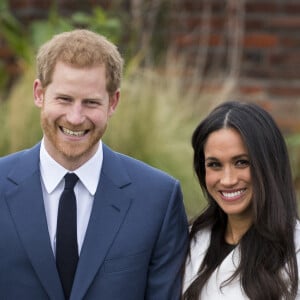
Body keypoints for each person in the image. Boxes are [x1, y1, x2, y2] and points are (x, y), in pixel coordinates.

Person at [0, 29, 189, 299]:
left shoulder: (158, 199)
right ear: (39, 93)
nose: (76, 117)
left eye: (90, 102)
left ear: (113, 102)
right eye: (64, 99)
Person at [182, 101, 300, 299]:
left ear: (269, 165)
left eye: (241, 162)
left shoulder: (295, 251)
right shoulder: (189, 240)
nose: (228, 180)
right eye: (214, 164)